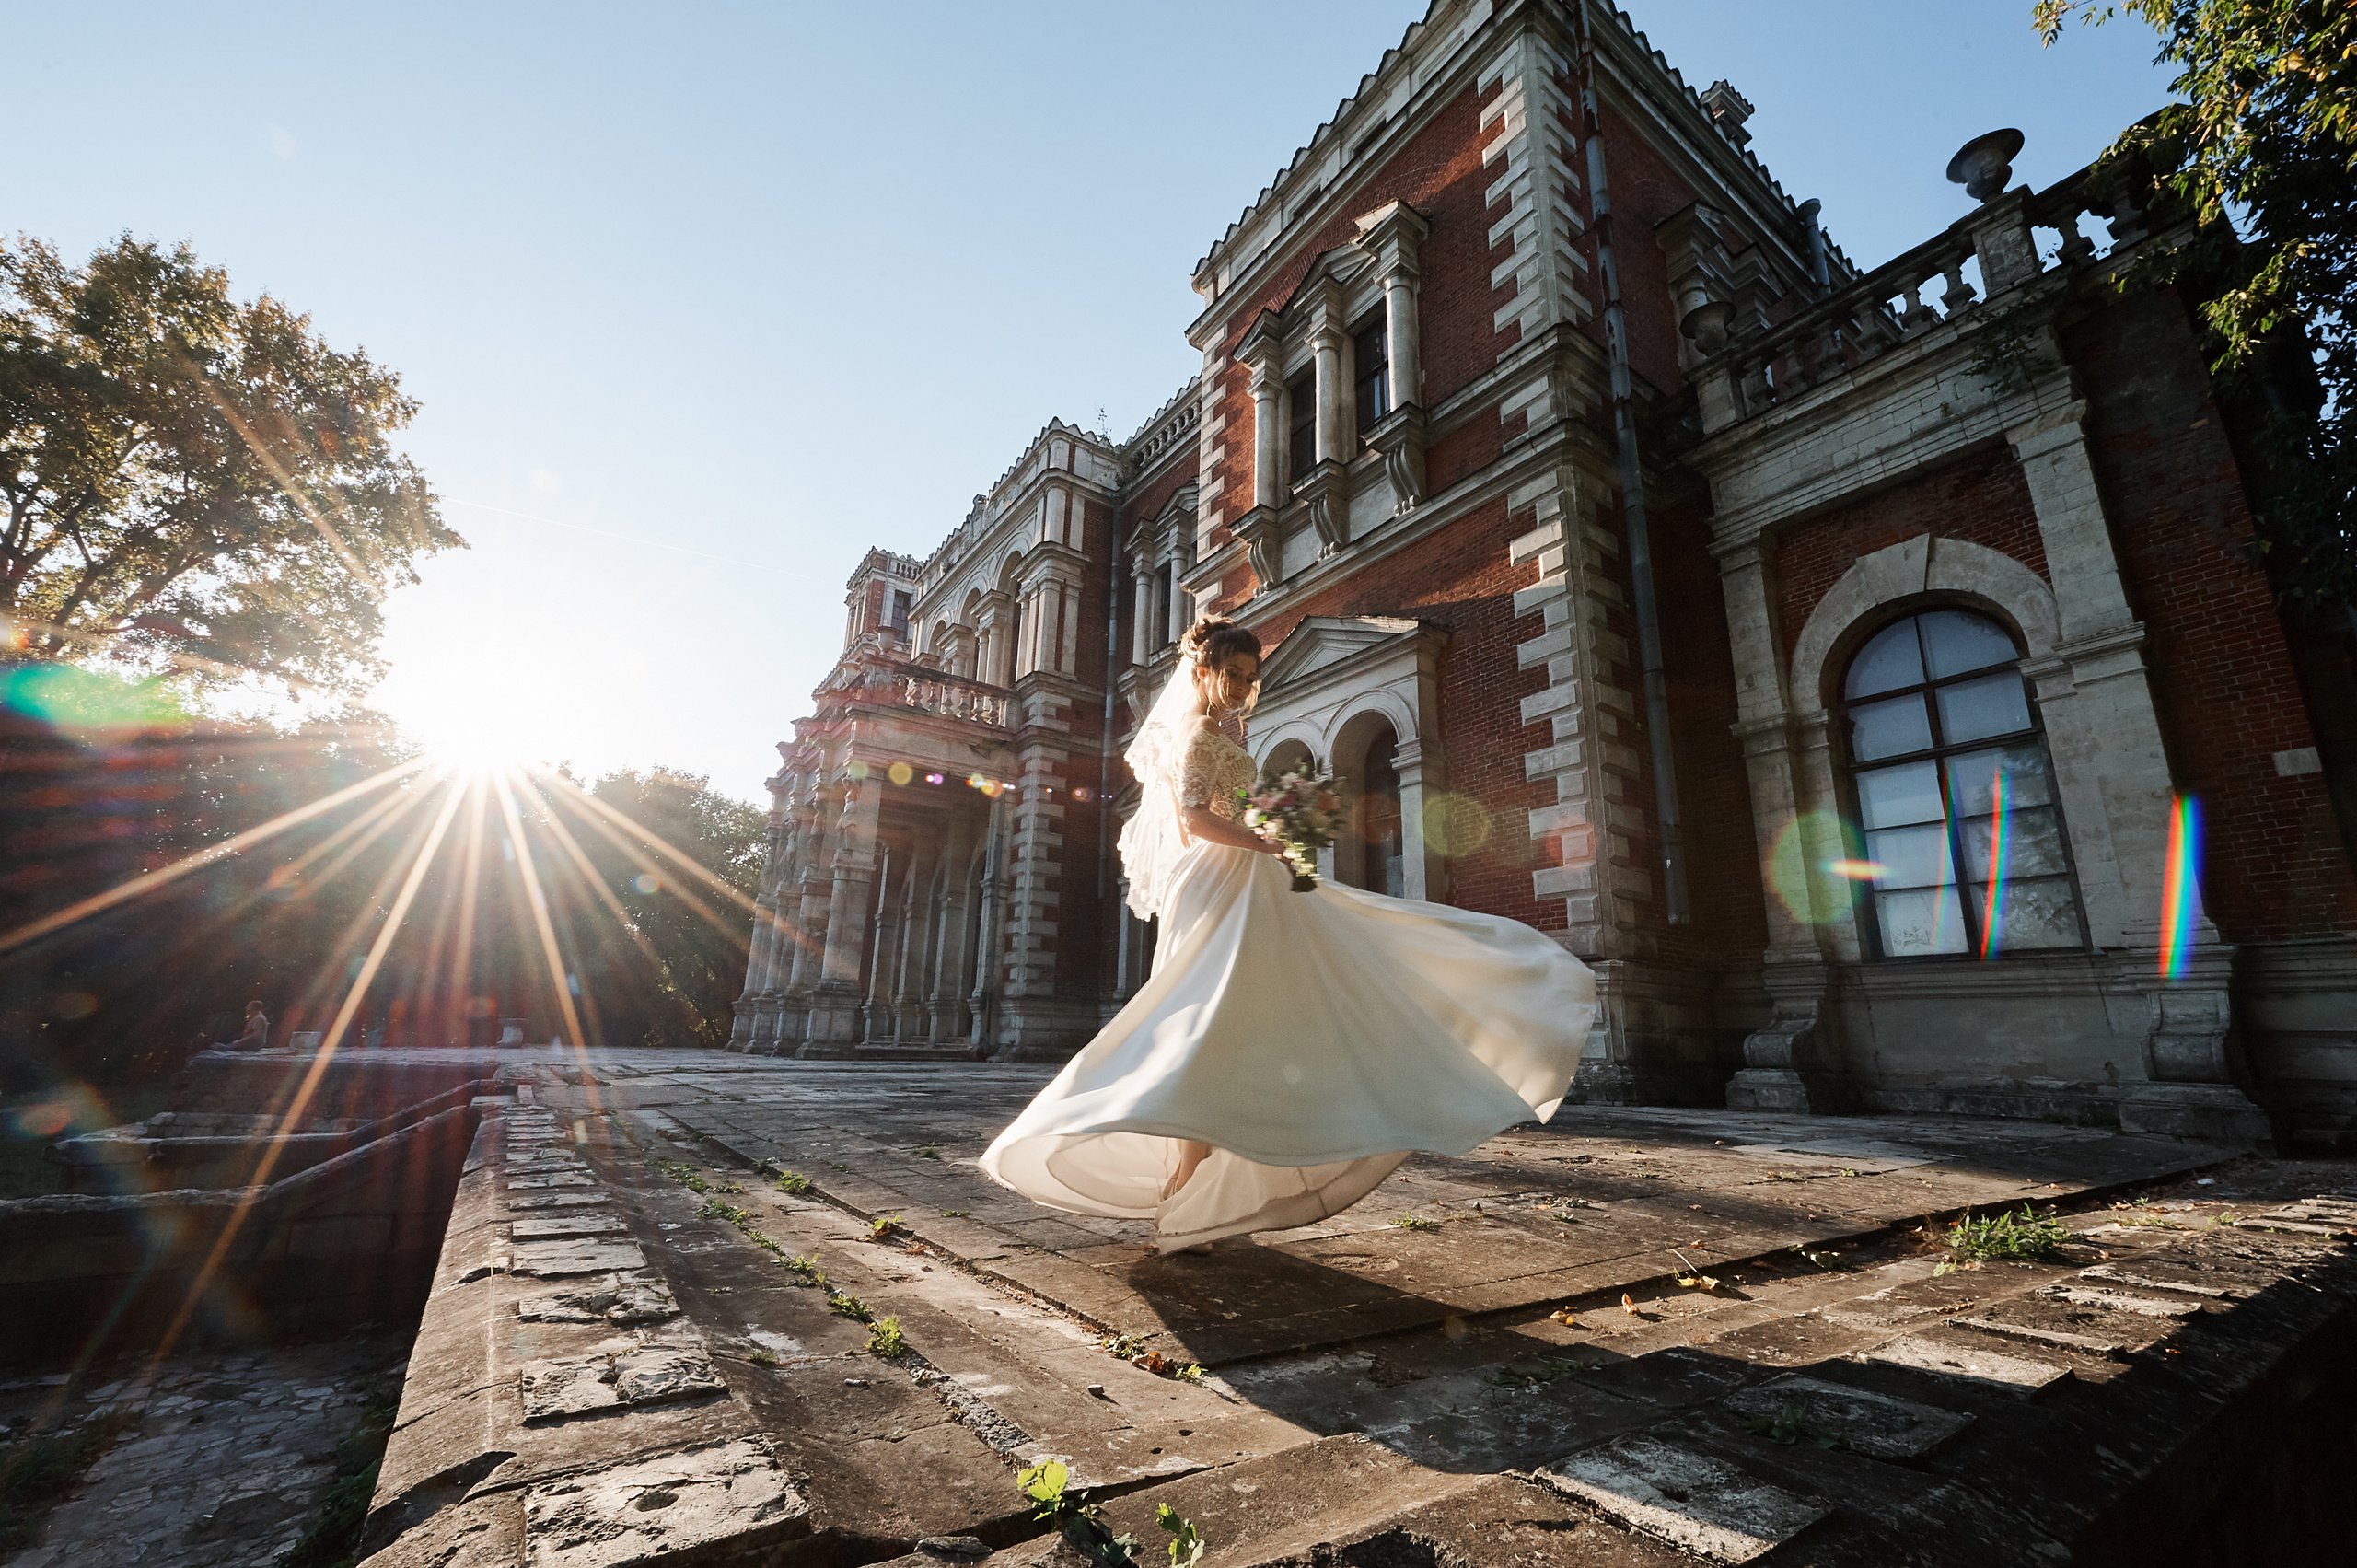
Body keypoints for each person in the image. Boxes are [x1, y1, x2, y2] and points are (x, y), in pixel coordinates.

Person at [981, 616, 1597, 1253]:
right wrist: (1263, 836)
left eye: (1251, 676)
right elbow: (1193, 821)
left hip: (1249, 876)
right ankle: (1183, 1194)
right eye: (1235, 674)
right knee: (1209, 1031)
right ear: (1204, 671)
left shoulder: (1225, 731)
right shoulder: (1194, 735)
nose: (1245, 686)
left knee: (1244, 1029)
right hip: (1220, 884)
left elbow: (1233, 808)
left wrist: (1283, 818)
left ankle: (1195, 1200)